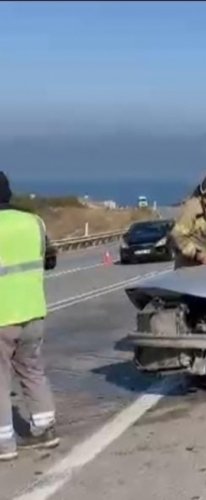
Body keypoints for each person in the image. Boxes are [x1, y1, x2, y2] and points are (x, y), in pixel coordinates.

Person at [0, 171, 59, 462]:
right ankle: (45, 429)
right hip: (34, 311)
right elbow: (51, 259)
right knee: (32, 370)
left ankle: (4, 444)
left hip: (2, 316)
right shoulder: (34, 222)